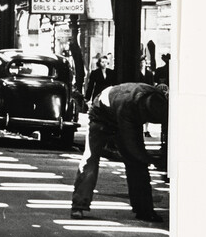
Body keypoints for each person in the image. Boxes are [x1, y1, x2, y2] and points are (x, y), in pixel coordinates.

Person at [70, 83, 169, 222]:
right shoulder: (127, 108)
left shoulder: (159, 100)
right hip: (100, 114)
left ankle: (144, 210)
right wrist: (151, 159)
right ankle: (79, 205)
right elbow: (132, 147)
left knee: (137, 165)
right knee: (91, 159)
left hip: (116, 104)